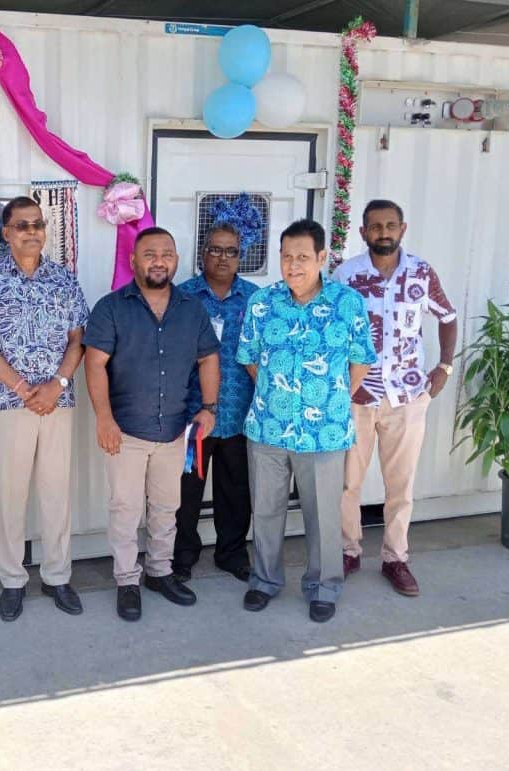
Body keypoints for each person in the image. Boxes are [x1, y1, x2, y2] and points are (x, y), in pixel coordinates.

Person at [236, 219, 376, 623]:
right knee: (265, 509)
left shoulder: (346, 303)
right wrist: (280, 398)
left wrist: (331, 399)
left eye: (301, 257)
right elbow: (250, 361)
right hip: (268, 428)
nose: (292, 265)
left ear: (320, 258)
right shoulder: (262, 303)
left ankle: (324, 586)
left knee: (323, 515)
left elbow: (361, 361)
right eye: (286, 257)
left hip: (325, 431)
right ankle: (264, 581)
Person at [84, 226, 220, 622]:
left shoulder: (191, 309)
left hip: (174, 428)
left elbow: (208, 358)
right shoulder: (111, 308)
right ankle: (127, 581)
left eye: (166, 253)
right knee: (125, 509)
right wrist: (104, 419)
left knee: (166, 507)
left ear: (176, 260)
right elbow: (95, 364)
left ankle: (160, 572)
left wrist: (208, 408)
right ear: (133, 261)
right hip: (125, 429)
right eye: (149, 253)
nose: (158, 260)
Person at [0, 196, 89, 622]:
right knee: (11, 494)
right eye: (22, 225)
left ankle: (57, 576)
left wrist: (56, 385)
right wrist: (23, 388)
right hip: (8, 402)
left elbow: (78, 340)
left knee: (57, 492)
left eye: (37, 224)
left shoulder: (64, 280)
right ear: (7, 232)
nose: (32, 231)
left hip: (58, 400)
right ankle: (12, 580)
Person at [334, 199, 458, 597]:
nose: (383, 232)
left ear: (402, 229)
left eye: (390, 225)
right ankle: (348, 550)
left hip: (406, 396)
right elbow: (329, 327)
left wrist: (444, 368)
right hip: (357, 395)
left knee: (400, 486)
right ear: (363, 232)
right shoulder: (346, 276)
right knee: (347, 483)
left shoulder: (421, 272)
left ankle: (395, 558)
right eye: (375, 226)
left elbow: (448, 317)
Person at [173, 220, 260, 583]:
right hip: (193, 415)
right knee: (185, 492)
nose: (223, 258)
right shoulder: (183, 296)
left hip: (240, 414)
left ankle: (232, 553)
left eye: (231, 251)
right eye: (215, 249)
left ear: (241, 257)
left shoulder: (256, 298)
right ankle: (182, 555)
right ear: (202, 254)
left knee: (235, 490)